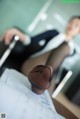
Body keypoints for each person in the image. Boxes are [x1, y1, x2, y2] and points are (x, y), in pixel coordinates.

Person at [1, 16, 80, 94]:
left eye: (76, 25)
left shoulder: (72, 51)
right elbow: (31, 41)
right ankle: (44, 76)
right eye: (71, 22)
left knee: (65, 48)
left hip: (50, 76)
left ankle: (44, 78)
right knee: (65, 47)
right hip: (33, 66)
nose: (72, 26)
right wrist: (16, 31)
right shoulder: (54, 33)